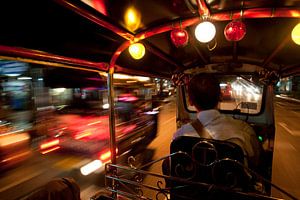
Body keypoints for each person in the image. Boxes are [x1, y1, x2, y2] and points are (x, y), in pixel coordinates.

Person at [173, 73, 260, 167]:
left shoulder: (179, 136)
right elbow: (255, 162)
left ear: (190, 101)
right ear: (220, 96)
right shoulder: (243, 130)